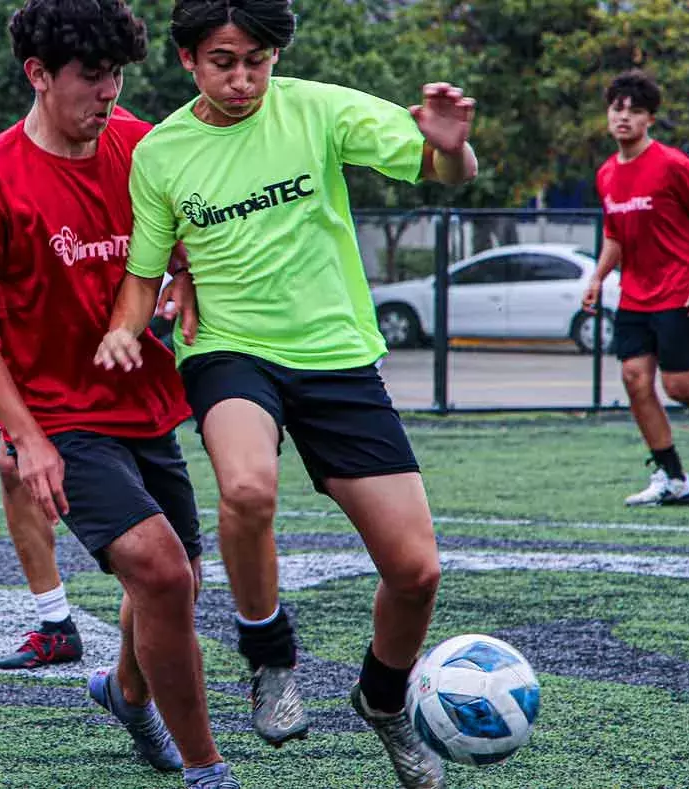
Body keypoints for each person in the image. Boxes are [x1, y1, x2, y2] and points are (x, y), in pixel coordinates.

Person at [95, 1, 477, 787]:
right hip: (229, 349)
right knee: (244, 485)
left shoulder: (320, 108)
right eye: (225, 61)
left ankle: (382, 698)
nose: (243, 79)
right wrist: (126, 328)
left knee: (417, 572)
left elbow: (444, 173)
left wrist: (453, 149)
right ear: (187, 61)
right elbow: (145, 270)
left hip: (337, 359)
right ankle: (268, 651)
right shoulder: (162, 152)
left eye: (258, 60)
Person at [0, 1, 237, 786]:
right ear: (38, 75)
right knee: (165, 573)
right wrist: (25, 436)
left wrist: (186, 279)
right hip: (62, 419)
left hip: (146, 404)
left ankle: (123, 689)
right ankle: (208, 769)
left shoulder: (141, 145)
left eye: (115, 74)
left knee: (179, 583)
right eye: (89, 76)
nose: (107, 92)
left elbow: (186, 239)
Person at [0, 267, 192, 670]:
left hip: (104, 328)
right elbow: (6, 233)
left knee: (173, 566)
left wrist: (182, 268)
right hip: (35, 341)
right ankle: (55, 619)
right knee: (12, 466)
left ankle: (132, 677)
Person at [584, 69, 689, 507]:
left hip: (680, 290)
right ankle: (673, 478)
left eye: (635, 111)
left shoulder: (673, 165)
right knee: (635, 380)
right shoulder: (605, 174)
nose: (624, 118)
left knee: (682, 387)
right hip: (635, 295)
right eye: (617, 109)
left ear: (649, 120)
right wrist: (598, 277)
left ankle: (674, 477)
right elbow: (615, 236)